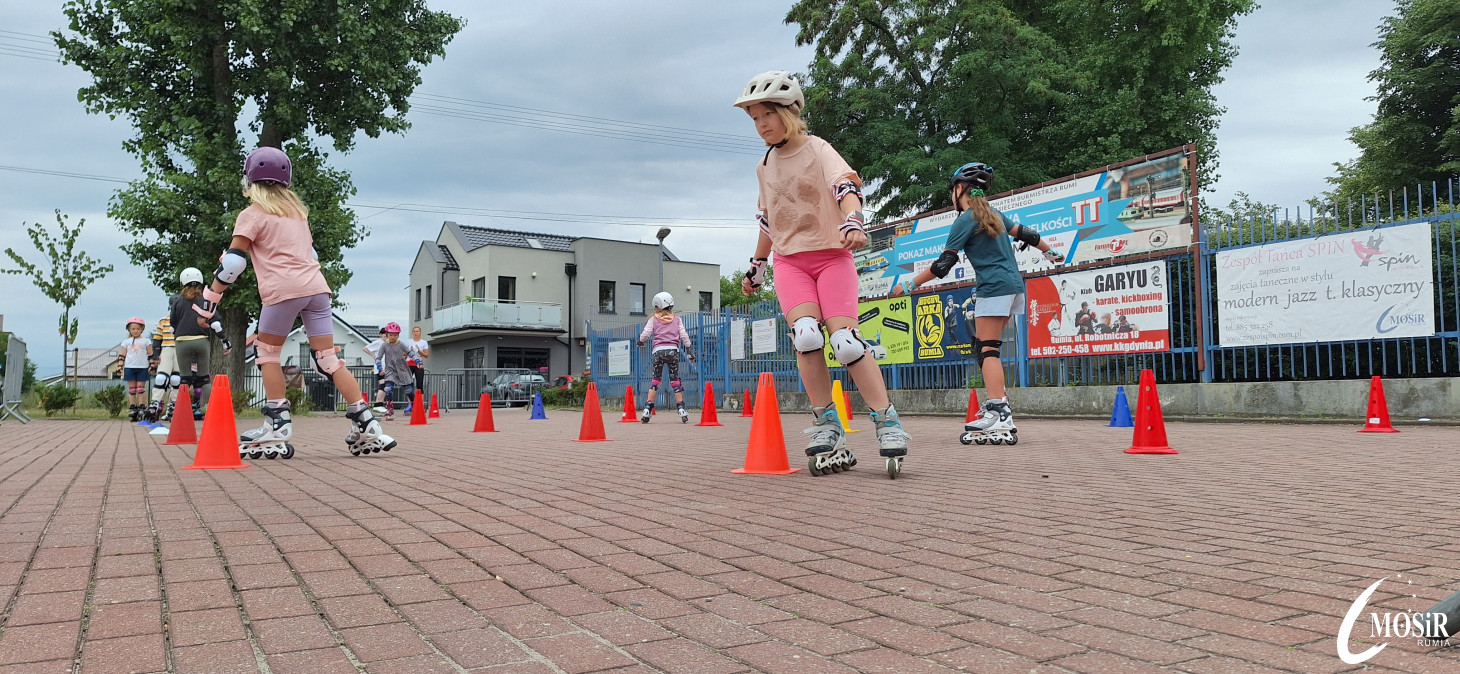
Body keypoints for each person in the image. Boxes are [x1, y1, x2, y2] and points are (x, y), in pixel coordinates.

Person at [734, 70, 909, 477]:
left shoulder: (817, 148)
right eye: (755, 118)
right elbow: (768, 220)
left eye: (767, 115)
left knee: (846, 342)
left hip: (832, 255)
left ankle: (886, 419)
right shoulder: (764, 164)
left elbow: (844, 185)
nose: (761, 125)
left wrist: (854, 220)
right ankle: (826, 421)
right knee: (807, 336)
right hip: (790, 262)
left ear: (789, 112)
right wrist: (757, 266)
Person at [195, 146, 393, 457]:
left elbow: (233, 264)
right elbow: (310, 256)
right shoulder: (297, 215)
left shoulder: (252, 215)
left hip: (283, 290)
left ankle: (277, 424)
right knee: (327, 358)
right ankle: (366, 422)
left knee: (267, 352)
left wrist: (212, 296)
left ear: (249, 180)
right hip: (317, 288)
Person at [892, 161, 1064, 444]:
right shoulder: (994, 214)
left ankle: (998, 410)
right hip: (1013, 287)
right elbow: (1026, 234)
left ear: (960, 189)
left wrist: (911, 284)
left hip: (994, 288)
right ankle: (1000, 404)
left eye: (952, 190)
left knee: (986, 350)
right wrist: (1050, 251)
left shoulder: (965, 219)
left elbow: (944, 263)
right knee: (987, 346)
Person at [172, 267, 232, 420]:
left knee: (184, 379)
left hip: (182, 341)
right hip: (201, 341)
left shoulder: (177, 301)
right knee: (204, 378)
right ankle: (215, 412)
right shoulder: (206, 301)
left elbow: (173, 323)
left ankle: (181, 413)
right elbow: (216, 325)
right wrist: (225, 342)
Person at [637, 292, 696, 423]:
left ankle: (647, 409)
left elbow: (646, 333)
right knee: (675, 380)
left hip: (658, 352)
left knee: (656, 380)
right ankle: (681, 409)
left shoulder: (653, 319)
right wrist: (689, 351)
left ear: (657, 305)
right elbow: (684, 336)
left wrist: (641, 341)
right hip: (672, 352)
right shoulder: (677, 319)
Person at [372, 323, 415, 421]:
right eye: (391, 335)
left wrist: (417, 360)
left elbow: (410, 353)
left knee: (408, 390)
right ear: (387, 334)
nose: (393, 337)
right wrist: (380, 368)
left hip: (402, 369)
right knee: (388, 388)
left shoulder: (401, 344)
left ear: (398, 335)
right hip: (390, 370)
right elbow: (378, 358)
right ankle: (390, 410)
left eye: (395, 335)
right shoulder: (384, 345)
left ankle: (415, 405)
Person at [118, 317, 153, 421]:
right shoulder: (126, 342)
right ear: (129, 329)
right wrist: (120, 367)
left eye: (138, 329)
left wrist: (152, 365)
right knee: (132, 389)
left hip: (142, 367)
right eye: (133, 329)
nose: (135, 331)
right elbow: (122, 355)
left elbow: (150, 354)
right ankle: (133, 407)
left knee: (140, 389)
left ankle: (142, 406)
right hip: (130, 367)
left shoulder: (146, 341)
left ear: (142, 329)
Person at [144, 313, 177, 422]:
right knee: (161, 378)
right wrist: (155, 355)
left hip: (181, 348)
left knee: (176, 379)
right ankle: (154, 404)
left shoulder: (187, 318)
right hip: (166, 348)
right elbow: (157, 338)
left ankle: (174, 406)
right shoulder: (163, 320)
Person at [362, 327, 389, 413]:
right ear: (381, 334)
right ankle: (378, 404)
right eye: (384, 333)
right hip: (380, 367)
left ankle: (380, 403)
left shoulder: (388, 343)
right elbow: (365, 348)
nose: (386, 335)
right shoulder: (378, 342)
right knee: (383, 385)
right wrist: (373, 356)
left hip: (387, 367)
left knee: (386, 386)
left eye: (387, 334)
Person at [404, 325, 430, 413]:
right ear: (412, 332)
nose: (415, 333)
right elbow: (403, 353)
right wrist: (409, 351)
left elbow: (426, 355)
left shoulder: (424, 342)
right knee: (408, 385)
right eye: (414, 331)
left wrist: (419, 351)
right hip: (409, 364)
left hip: (419, 364)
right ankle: (410, 404)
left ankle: (420, 404)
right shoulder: (408, 341)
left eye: (417, 331)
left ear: (420, 332)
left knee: (419, 385)